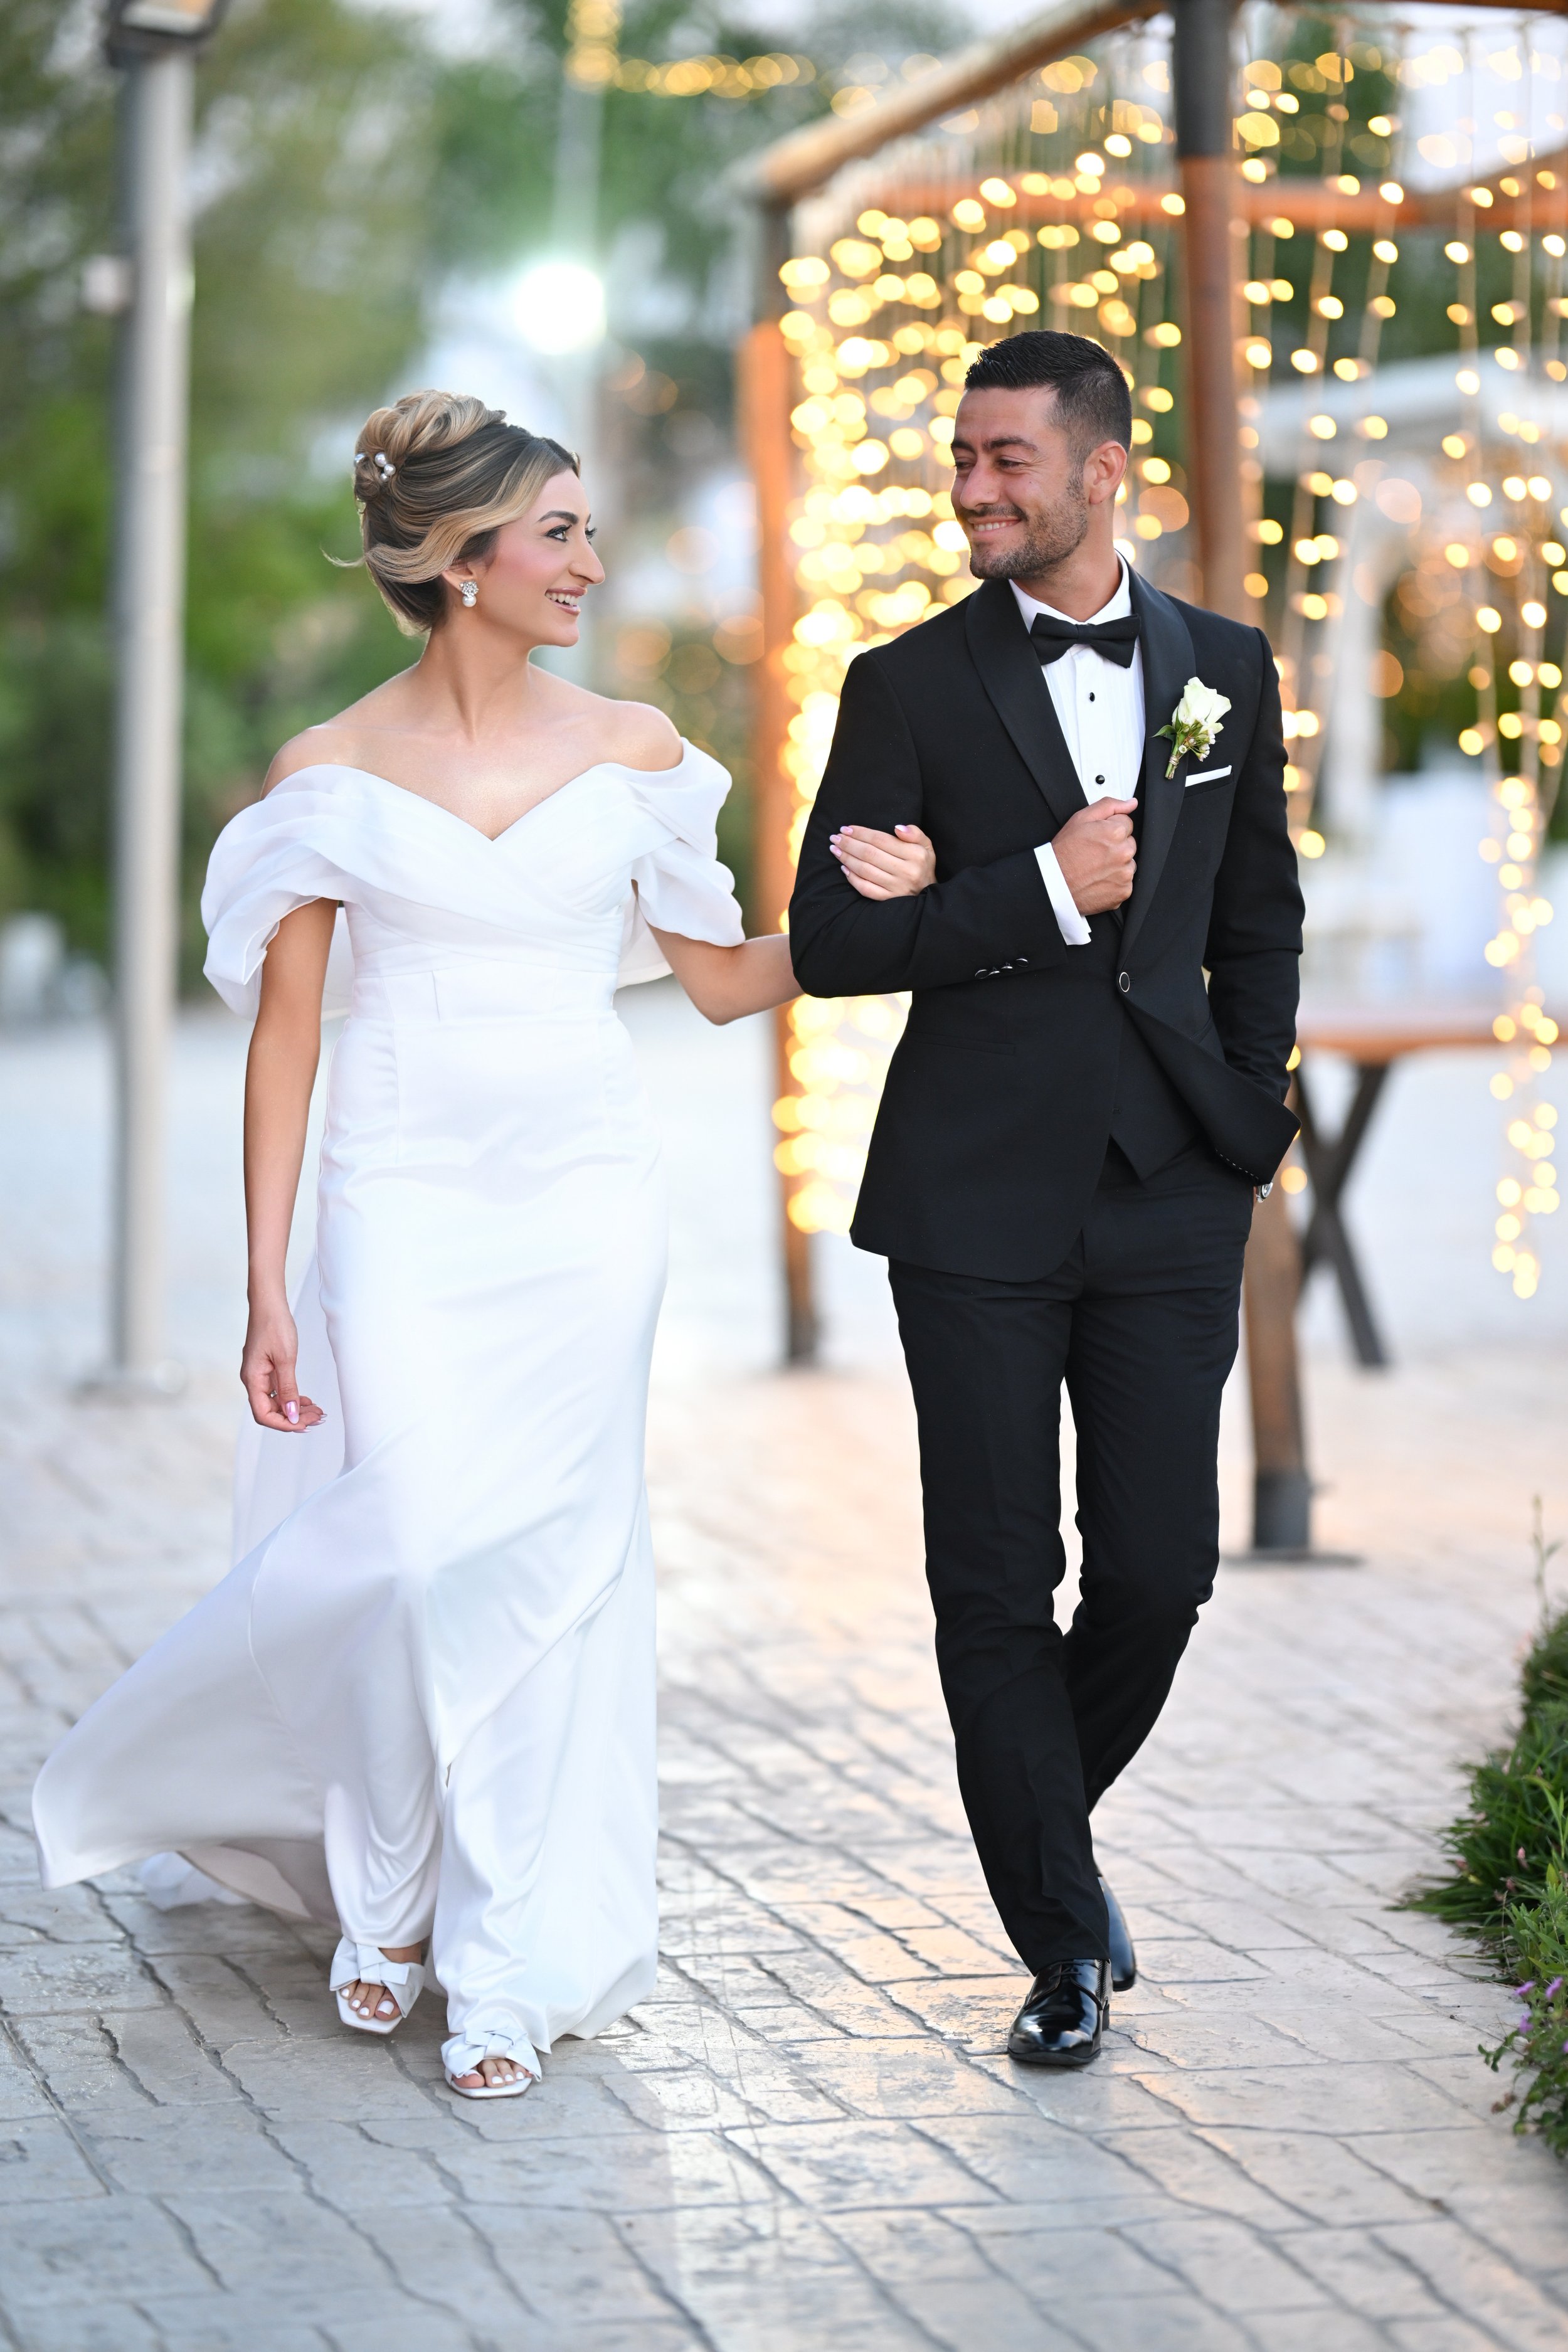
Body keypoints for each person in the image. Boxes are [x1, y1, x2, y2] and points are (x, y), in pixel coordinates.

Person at [30, 388, 936, 2098]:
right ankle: (382, 1897)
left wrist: (879, 911)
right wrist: (265, 1281)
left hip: (586, 1205)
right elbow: (284, 1040)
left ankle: (504, 1962)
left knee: (546, 1571)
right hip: (400, 1199)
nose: (588, 562)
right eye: (559, 533)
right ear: (461, 561)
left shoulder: (636, 751)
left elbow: (722, 980)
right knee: (412, 1549)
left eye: (589, 531)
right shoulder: (325, 776)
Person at [793, 330, 1303, 2070]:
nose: (973, 490)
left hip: (1173, 1194)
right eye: (963, 458)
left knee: (1159, 1575)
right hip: (972, 1207)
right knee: (997, 1585)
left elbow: (1256, 914)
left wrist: (1250, 1103)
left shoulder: (1227, 668)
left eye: (1005, 459)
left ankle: (1040, 1840)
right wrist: (1037, 885)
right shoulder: (903, 685)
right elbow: (832, 942)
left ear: (1102, 470)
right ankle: (1062, 1946)